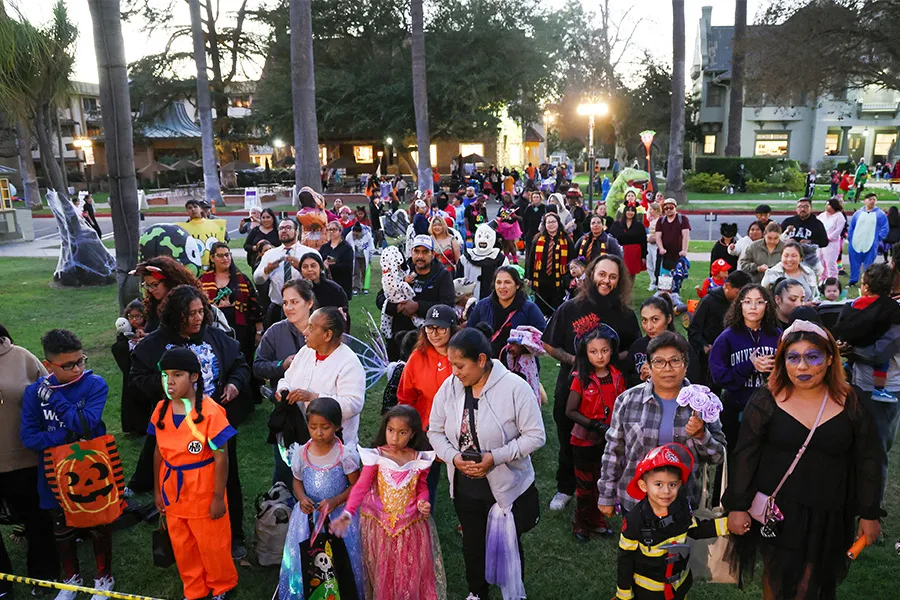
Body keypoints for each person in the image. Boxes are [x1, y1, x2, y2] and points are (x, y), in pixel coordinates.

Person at [724, 320, 882, 600]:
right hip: (779, 511)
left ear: (830, 358)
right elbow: (745, 452)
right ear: (782, 361)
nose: (802, 367)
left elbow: (867, 460)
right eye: (793, 357)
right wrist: (737, 505)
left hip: (829, 510)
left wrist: (869, 513)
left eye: (813, 356)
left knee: (810, 583)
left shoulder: (851, 403)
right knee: (776, 576)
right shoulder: (768, 399)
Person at [129, 285, 251, 558]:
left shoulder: (216, 338)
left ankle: (234, 536)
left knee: (226, 477)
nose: (198, 318)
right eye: (190, 314)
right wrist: (171, 389)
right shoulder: (154, 344)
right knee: (181, 480)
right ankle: (184, 535)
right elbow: (136, 379)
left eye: (200, 312)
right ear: (175, 315)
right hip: (175, 428)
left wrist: (233, 384)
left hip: (214, 424)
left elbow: (240, 365)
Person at [428, 328, 544, 600]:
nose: (454, 372)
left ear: (481, 360)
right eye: (451, 365)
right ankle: (477, 592)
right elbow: (434, 430)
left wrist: (497, 457)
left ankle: (512, 592)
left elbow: (536, 436)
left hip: (504, 485)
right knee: (472, 542)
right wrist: (453, 457)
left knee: (508, 543)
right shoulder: (451, 387)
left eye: (459, 365)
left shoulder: (516, 388)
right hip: (465, 483)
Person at [20, 329, 114, 598]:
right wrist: (68, 436)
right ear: (48, 365)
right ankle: (72, 578)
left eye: (80, 361)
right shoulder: (33, 393)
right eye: (68, 365)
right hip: (52, 471)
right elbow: (29, 437)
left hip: (91, 467)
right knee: (62, 527)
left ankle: (104, 577)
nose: (77, 369)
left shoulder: (95, 384)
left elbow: (85, 423)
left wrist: (56, 399)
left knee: (98, 524)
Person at [543, 255, 641, 512]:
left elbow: (635, 349)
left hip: (611, 392)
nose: (606, 281)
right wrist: (576, 361)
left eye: (612, 276)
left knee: (609, 443)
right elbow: (549, 344)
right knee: (567, 438)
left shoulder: (626, 315)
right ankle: (565, 487)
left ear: (619, 281)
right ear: (591, 274)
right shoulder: (570, 308)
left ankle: (606, 492)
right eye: (602, 274)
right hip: (573, 388)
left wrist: (608, 363)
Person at [598, 332, 726, 514]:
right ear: (648, 367)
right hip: (636, 502)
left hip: (684, 503)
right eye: (659, 362)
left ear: (686, 366)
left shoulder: (702, 403)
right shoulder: (628, 401)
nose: (667, 368)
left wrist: (701, 435)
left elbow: (718, 457)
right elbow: (613, 452)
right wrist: (606, 496)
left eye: (675, 361)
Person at [150, 348, 238, 600]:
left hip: (203, 489)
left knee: (212, 544)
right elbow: (158, 451)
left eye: (177, 375)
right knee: (182, 544)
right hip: (173, 491)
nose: (170, 382)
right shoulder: (161, 410)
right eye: (165, 376)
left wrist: (218, 496)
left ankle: (221, 585)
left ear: (194, 377)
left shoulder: (210, 412)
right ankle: (195, 588)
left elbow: (221, 456)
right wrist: (158, 490)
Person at [332, 405, 443, 599]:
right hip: (380, 527)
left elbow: (422, 488)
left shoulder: (419, 459)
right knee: (383, 570)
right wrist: (348, 512)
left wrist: (423, 502)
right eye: (390, 430)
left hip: (409, 527)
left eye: (402, 432)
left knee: (408, 571)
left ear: (412, 434)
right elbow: (360, 487)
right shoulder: (376, 456)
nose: (394, 437)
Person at [616, 442, 729, 600]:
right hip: (647, 593)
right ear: (643, 485)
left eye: (672, 484)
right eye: (658, 484)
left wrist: (727, 525)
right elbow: (625, 560)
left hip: (679, 587)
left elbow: (694, 529)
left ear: (680, 484)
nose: (666, 491)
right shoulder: (635, 521)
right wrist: (624, 594)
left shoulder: (681, 506)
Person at [278, 397, 364, 599]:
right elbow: (297, 481)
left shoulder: (345, 455)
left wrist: (334, 501)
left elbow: (356, 485)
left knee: (340, 559)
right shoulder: (301, 453)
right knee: (308, 559)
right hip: (308, 519)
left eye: (324, 427)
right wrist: (301, 498)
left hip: (337, 518)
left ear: (336, 426)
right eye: (313, 426)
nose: (318, 433)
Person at [0, 325, 58, 598]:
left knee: (37, 517)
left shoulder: (21, 357)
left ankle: (44, 573)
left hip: (23, 457)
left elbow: (51, 397)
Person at [837, 264, 900, 505]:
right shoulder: (885, 306)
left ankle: (870, 510)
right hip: (860, 381)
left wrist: (851, 348)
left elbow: (879, 352)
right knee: (855, 445)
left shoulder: (892, 311)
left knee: (875, 451)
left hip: (886, 388)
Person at [709, 284, 781, 468]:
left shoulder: (776, 335)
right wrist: (749, 365)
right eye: (747, 302)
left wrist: (773, 370)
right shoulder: (727, 337)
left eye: (759, 302)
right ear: (739, 305)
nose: (753, 307)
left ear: (767, 306)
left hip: (770, 408)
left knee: (766, 460)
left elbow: (787, 371)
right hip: (736, 408)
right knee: (735, 460)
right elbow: (719, 376)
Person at [565, 325, 626, 540]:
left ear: (612, 350)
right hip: (584, 440)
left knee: (604, 480)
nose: (600, 356)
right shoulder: (581, 378)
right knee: (585, 484)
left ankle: (597, 520)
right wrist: (595, 425)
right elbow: (570, 411)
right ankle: (581, 523)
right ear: (585, 353)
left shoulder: (618, 376)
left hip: (609, 439)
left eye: (604, 350)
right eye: (593, 352)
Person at [276, 307, 366, 449]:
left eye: (311, 328)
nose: (305, 332)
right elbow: (287, 378)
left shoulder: (349, 363)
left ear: (327, 335)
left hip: (333, 446)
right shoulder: (306, 351)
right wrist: (283, 389)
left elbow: (353, 404)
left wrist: (313, 397)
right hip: (297, 434)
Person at [254, 279, 316, 485]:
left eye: (295, 302)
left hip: (318, 412)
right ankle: (281, 509)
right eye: (285, 303)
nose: (288, 308)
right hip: (286, 412)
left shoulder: (323, 331)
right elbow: (257, 366)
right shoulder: (275, 332)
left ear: (309, 303)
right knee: (285, 467)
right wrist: (282, 365)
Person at [396, 304, 458, 505]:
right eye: (430, 328)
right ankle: (423, 519)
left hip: (458, 429)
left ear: (452, 328)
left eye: (441, 328)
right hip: (425, 428)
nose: (435, 333)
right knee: (424, 481)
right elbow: (405, 396)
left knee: (462, 480)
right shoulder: (418, 356)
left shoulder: (462, 356)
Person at [376, 236, 455, 359]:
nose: (420, 256)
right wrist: (397, 306)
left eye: (425, 252)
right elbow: (381, 297)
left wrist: (417, 306)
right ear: (411, 252)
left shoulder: (442, 275)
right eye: (416, 251)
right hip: (397, 338)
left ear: (432, 254)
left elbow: (448, 306)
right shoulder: (402, 269)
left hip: (427, 339)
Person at [200, 243, 263, 395]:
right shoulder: (203, 280)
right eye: (220, 255)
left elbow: (255, 304)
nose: (225, 258)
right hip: (214, 330)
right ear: (212, 258)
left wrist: (259, 330)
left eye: (227, 254)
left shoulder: (241, 278)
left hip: (241, 328)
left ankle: (246, 394)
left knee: (242, 360)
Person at [688, 270, 752, 387]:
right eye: (738, 293)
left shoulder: (741, 304)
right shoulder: (708, 302)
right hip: (708, 358)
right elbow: (693, 329)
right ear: (727, 286)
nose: (741, 298)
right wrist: (704, 346)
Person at [466, 266, 546, 358]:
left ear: (517, 285)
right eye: (498, 282)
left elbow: (543, 337)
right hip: (488, 364)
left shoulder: (529, 308)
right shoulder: (482, 306)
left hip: (519, 367)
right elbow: (469, 332)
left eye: (507, 282)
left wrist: (523, 348)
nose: (502, 287)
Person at [254, 218, 320, 326]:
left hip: (303, 308)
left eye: (288, 228)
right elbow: (257, 280)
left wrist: (301, 268)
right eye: (281, 228)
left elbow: (319, 279)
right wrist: (266, 270)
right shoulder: (270, 254)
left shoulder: (309, 252)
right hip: (277, 307)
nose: (284, 230)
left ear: (297, 231)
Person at [626, 295, 704, 387]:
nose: (649, 326)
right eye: (644, 320)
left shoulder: (681, 347)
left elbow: (693, 380)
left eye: (655, 319)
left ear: (668, 319)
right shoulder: (638, 346)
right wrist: (641, 378)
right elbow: (627, 379)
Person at [111, 299, 148, 433]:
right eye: (131, 317)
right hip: (131, 372)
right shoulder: (126, 332)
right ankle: (133, 427)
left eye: (138, 316)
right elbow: (118, 348)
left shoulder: (149, 329)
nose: (134, 320)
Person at [527, 212, 573, 316]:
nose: (551, 224)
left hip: (558, 281)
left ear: (558, 223)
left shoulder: (566, 240)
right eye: (548, 222)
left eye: (553, 222)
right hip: (541, 279)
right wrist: (529, 277)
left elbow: (571, 260)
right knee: (541, 309)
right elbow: (530, 259)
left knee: (556, 310)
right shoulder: (538, 239)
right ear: (544, 225)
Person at [847, 192, 889, 286]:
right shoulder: (858, 213)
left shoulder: (880, 214)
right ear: (865, 201)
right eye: (870, 199)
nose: (872, 201)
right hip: (856, 241)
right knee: (854, 262)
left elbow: (885, 228)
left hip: (871, 242)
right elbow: (851, 227)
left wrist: (878, 238)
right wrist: (850, 237)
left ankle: (867, 281)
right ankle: (853, 280)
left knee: (869, 264)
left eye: (874, 200)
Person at [299, 253, 350, 322]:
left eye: (313, 266)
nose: (309, 269)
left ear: (320, 268)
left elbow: (344, 311)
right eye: (305, 267)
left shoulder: (333, 288)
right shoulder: (298, 289)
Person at [654, 198, 690, 280]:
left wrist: (684, 250)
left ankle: (675, 290)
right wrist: (661, 248)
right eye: (666, 208)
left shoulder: (683, 219)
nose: (668, 210)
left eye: (671, 208)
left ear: (675, 208)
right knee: (663, 276)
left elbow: (685, 235)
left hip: (678, 254)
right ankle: (663, 290)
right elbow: (658, 236)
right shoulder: (661, 221)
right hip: (665, 255)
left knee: (677, 275)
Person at [609, 201, 647, 276]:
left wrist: (643, 256)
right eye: (628, 210)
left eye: (632, 211)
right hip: (619, 252)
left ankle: (629, 287)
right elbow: (610, 238)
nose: (630, 212)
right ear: (624, 212)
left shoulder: (639, 226)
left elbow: (643, 241)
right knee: (619, 273)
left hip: (634, 253)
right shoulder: (617, 224)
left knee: (631, 274)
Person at [319, 220, 354, 298]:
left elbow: (347, 266)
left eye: (334, 229)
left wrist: (330, 266)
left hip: (342, 283)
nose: (331, 232)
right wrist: (323, 264)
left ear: (340, 231)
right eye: (329, 230)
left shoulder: (347, 248)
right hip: (325, 283)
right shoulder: (324, 247)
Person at [817, 197, 846, 281]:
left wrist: (828, 238)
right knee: (821, 262)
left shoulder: (839, 217)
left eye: (829, 205)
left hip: (832, 244)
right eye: (826, 205)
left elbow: (837, 231)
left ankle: (832, 280)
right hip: (821, 243)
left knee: (830, 263)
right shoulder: (822, 215)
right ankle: (822, 280)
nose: (827, 207)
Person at [346, 222, 374, 295]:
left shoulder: (367, 235)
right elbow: (347, 245)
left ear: (360, 232)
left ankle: (365, 287)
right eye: (354, 234)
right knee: (356, 272)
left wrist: (370, 257)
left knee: (365, 272)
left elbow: (371, 247)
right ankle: (356, 287)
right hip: (355, 257)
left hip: (365, 257)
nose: (355, 235)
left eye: (356, 234)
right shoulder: (349, 236)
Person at [496, 193, 522, 263]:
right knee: (505, 244)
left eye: (507, 197)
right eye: (504, 198)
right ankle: (506, 260)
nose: (506, 199)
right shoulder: (502, 208)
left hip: (512, 227)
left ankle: (515, 260)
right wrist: (501, 217)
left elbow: (521, 218)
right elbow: (498, 217)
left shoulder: (515, 207)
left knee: (511, 244)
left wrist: (515, 216)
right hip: (503, 228)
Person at [521, 190, 546, 257]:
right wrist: (525, 233)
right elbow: (524, 221)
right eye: (534, 197)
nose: (535, 199)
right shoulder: (529, 208)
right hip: (530, 232)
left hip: (540, 232)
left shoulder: (544, 208)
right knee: (529, 251)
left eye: (537, 197)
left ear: (540, 198)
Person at [646, 202, 661, 291]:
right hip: (649, 244)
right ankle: (653, 280)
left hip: (656, 245)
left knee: (656, 264)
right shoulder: (652, 220)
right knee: (649, 264)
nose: (649, 211)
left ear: (655, 210)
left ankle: (657, 282)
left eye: (651, 209)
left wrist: (654, 238)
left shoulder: (659, 220)